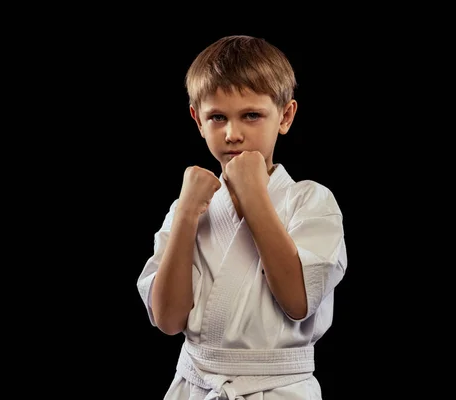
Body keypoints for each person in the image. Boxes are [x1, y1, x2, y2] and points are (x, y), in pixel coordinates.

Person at [136, 35, 348, 399]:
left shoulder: (310, 201)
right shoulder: (187, 205)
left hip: (279, 388)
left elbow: (298, 301)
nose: (233, 134)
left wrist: (254, 196)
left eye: (251, 115)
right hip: (196, 386)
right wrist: (186, 214)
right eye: (217, 117)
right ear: (197, 121)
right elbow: (169, 321)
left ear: (285, 115)